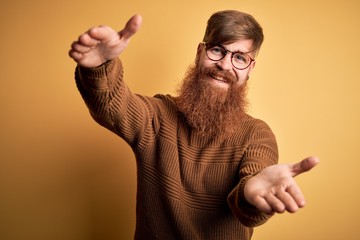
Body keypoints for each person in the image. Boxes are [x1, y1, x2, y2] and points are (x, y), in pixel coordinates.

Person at [69, 10, 319, 240]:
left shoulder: (256, 134)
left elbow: (254, 189)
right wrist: (99, 66)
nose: (224, 65)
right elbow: (113, 106)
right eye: (218, 50)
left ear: (250, 68)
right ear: (200, 52)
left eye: (240, 57)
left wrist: (250, 193)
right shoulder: (158, 116)